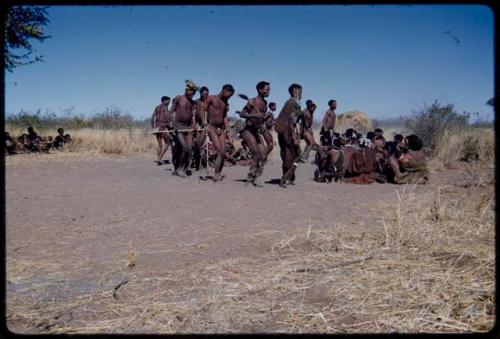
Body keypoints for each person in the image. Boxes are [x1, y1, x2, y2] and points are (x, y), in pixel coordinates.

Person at [238, 81, 270, 187]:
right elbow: (242, 114)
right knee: (256, 153)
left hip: (257, 131)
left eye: (269, 89)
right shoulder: (252, 101)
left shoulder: (265, 103)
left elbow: (262, 119)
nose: (268, 91)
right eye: (267, 89)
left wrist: (264, 118)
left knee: (264, 155)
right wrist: (255, 116)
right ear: (260, 90)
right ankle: (251, 176)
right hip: (248, 130)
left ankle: (256, 176)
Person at [204, 84, 235, 181]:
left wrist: (228, 131)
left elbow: (225, 117)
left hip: (221, 129)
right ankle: (216, 174)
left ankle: (218, 173)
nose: (229, 97)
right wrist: (205, 125)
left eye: (231, 97)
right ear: (224, 90)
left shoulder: (225, 103)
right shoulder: (211, 98)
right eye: (229, 95)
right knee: (220, 152)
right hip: (211, 127)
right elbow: (202, 110)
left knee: (224, 153)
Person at [275, 83, 303, 187]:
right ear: (294, 91)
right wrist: (294, 137)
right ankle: (286, 178)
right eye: (299, 91)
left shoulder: (293, 103)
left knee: (293, 155)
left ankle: (289, 177)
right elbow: (291, 121)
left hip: (286, 133)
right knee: (289, 155)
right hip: (286, 133)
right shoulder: (291, 104)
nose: (301, 93)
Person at [169, 81, 198, 177]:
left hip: (188, 128)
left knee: (189, 149)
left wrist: (194, 126)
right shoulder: (178, 98)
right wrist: (174, 125)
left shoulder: (193, 103)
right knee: (184, 148)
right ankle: (179, 169)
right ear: (186, 90)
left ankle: (186, 167)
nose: (192, 94)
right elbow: (170, 112)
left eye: (194, 93)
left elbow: (193, 116)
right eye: (191, 91)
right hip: (179, 127)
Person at [192, 87, 209, 171]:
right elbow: (194, 115)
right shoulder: (197, 102)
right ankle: (199, 164)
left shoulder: (209, 101)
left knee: (202, 146)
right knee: (198, 145)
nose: (206, 95)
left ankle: (205, 165)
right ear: (201, 94)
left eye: (207, 94)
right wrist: (194, 125)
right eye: (204, 94)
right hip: (200, 126)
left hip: (208, 125)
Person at [151, 96, 171, 165]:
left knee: (160, 145)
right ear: (164, 101)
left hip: (156, 127)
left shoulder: (156, 107)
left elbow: (152, 117)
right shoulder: (165, 107)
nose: (169, 103)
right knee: (168, 143)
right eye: (168, 101)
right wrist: (169, 124)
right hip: (162, 127)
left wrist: (153, 127)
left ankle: (158, 159)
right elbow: (167, 117)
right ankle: (159, 158)